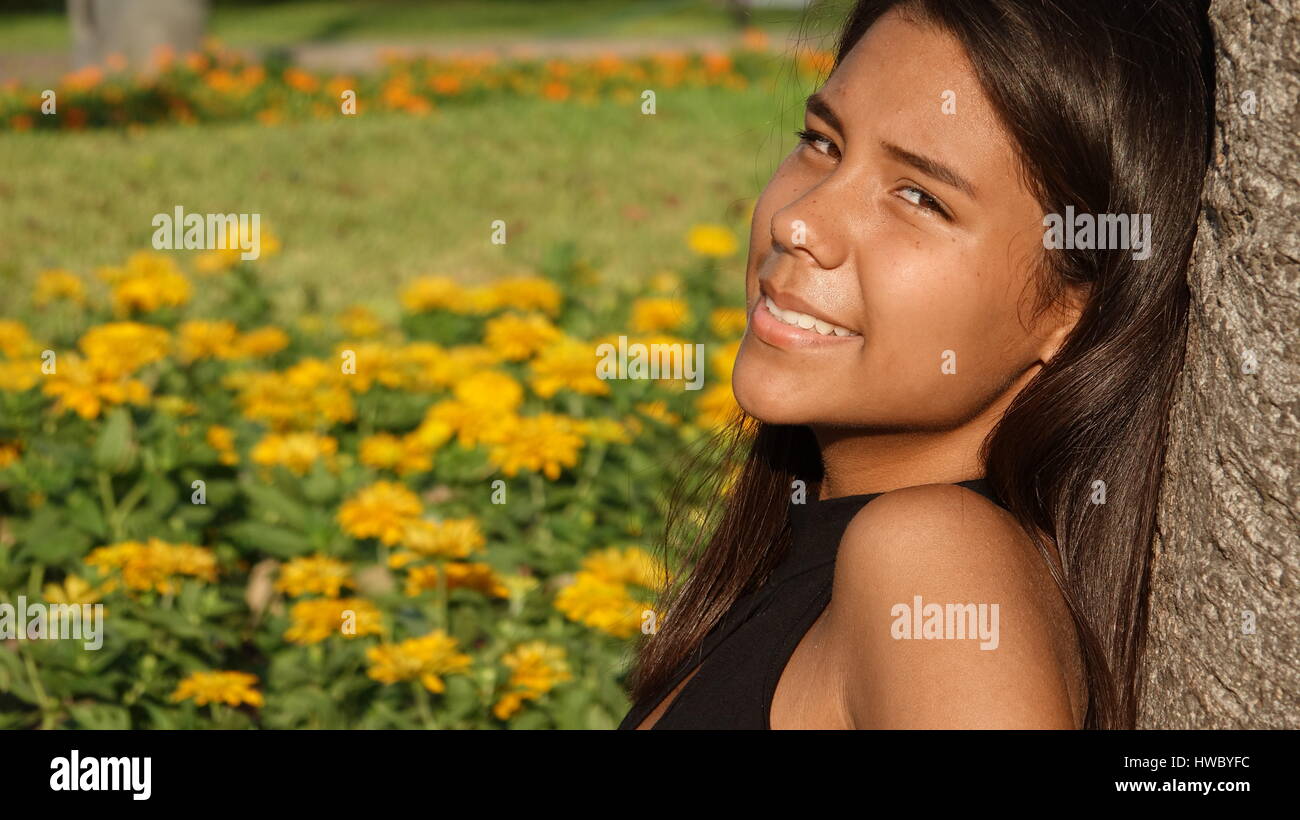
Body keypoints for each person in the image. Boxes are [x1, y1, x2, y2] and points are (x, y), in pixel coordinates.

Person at [619, 0, 1215, 730]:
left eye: (919, 196)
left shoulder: (933, 565)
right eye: (822, 141)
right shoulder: (827, 544)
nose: (796, 221)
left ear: (1075, 311)